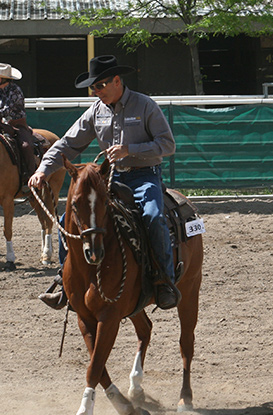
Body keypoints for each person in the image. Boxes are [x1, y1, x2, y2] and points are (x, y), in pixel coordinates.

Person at [29, 55, 180, 310]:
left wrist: (129, 150)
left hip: (144, 176)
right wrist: (43, 169)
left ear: (117, 81)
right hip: (110, 179)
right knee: (74, 216)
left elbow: (167, 145)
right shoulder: (95, 112)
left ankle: (164, 280)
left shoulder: (145, 106)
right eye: (93, 88)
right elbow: (67, 144)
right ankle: (66, 283)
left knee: (153, 216)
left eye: (100, 86)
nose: (96, 92)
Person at [0, 63, 36, 193]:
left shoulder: (15, 90)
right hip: (0, 125)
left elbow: (7, 110)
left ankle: (30, 176)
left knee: (26, 145)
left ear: (4, 78)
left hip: (17, 125)